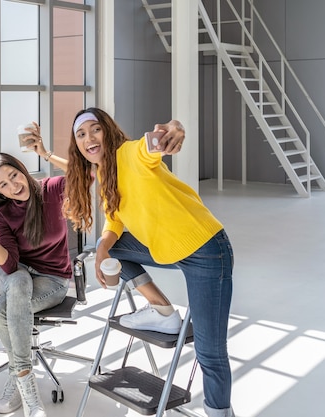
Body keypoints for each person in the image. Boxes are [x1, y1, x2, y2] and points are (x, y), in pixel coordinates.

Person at [64, 108, 234, 417]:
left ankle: (220, 412)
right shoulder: (104, 172)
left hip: (207, 251)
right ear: (76, 145)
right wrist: (103, 246)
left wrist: (172, 130)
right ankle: (162, 310)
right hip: (166, 249)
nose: (89, 138)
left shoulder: (130, 153)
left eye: (95, 130)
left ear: (108, 131)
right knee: (112, 249)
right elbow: (114, 218)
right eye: (81, 134)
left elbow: (153, 143)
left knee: (210, 351)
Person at [0, 152, 71, 417]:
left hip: (53, 279)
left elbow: (86, 173)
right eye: (3, 185)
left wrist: (48, 154)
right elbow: (10, 265)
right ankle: (30, 393)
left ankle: (18, 378)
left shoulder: (53, 189)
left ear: (22, 169)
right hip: (15, 274)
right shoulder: (4, 213)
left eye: (14, 175)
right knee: (20, 280)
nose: (13, 186)